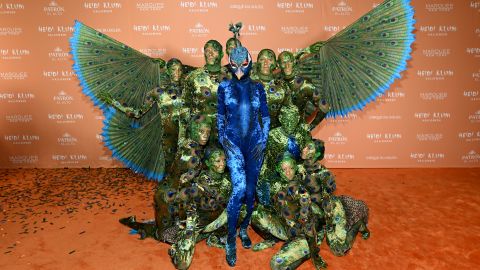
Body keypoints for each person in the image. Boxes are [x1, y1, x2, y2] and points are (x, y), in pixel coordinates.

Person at [217, 45, 270, 266]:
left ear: (250, 63)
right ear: (229, 64)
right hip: (234, 144)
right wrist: (223, 139)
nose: (239, 70)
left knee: (250, 193)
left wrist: (264, 140)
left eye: (243, 65)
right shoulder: (224, 87)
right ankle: (230, 239)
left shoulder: (259, 88)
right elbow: (220, 116)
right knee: (238, 190)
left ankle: (244, 228)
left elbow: (265, 117)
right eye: (234, 65)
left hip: (255, 145)